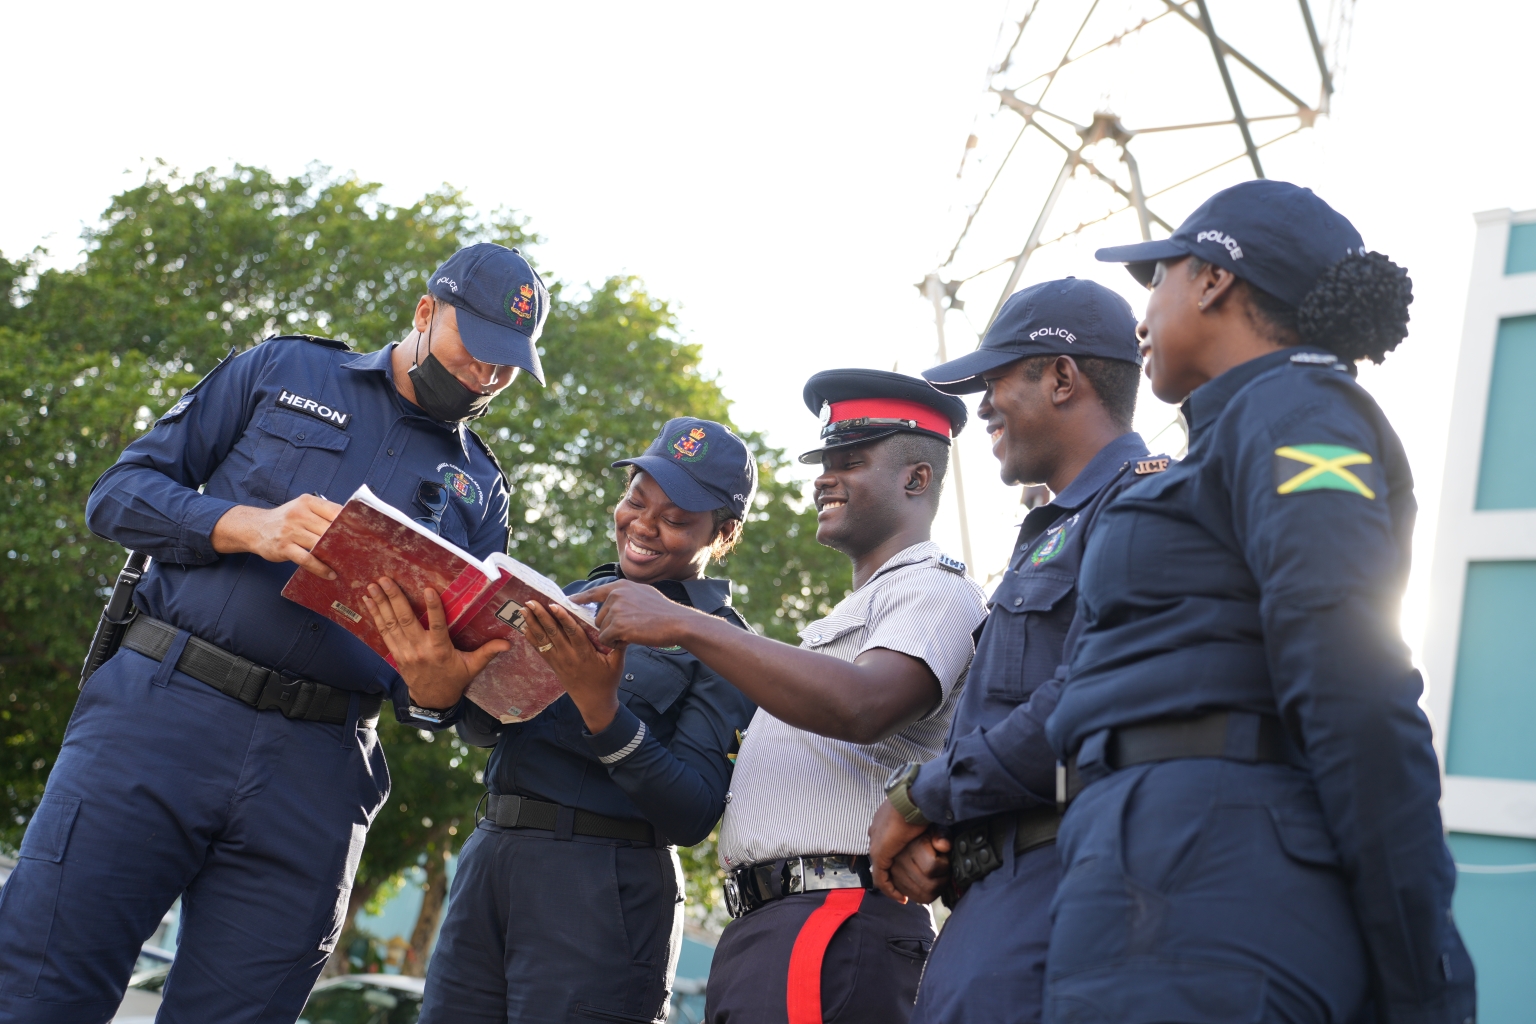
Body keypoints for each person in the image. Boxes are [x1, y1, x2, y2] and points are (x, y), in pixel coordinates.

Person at [0, 242, 547, 1024]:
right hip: (161, 715)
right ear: (426, 311)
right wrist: (244, 524)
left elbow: (443, 690)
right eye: (478, 348)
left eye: (507, 366)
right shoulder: (284, 368)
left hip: (317, 773)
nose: (486, 376)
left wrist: (437, 689)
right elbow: (117, 496)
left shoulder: (483, 491)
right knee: (38, 993)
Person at [1044, 180, 1475, 1023]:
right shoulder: (1240, 429)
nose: (1141, 317)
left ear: (1214, 279)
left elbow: (1349, 676)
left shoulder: (1299, 409)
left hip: (1217, 882)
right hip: (1150, 874)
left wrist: (1425, 979)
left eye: (1158, 276)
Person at [584, 369, 988, 1024]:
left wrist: (686, 623)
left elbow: (864, 704)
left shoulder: (934, 588)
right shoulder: (861, 607)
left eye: (850, 462)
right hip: (781, 924)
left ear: (916, 479)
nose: (825, 478)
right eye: (824, 463)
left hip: (833, 921)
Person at [865, 277, 1155, 1024]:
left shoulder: (1143, 504)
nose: (984, 406)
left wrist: (921, 796)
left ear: (1062, 377)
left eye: (995, 381)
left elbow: (1087, 700)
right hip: (998, 895)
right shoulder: (1058, 527)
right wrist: (947, 835)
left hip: (1063, 891)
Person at [404, 418, 759, 1024]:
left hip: (600, 887)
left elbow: (693, 812)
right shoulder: (567, 597)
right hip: (491, 858)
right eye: (635, 501)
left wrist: (603, 711)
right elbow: (485, 730)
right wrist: (444, 689)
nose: (643, 525)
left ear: (723, 534)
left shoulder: (723, 646)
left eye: (675, 518)